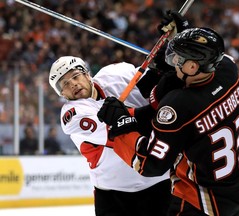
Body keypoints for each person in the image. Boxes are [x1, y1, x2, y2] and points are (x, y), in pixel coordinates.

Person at [97, 23, 239, 215]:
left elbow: (149, 164)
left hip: (199, 202)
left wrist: (121, 125)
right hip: (234, 191)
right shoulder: (228, 69)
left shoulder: (178, 104)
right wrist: (184, 33)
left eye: (179, 58)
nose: (174, 60)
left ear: (193, 66)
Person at [48, 56, 171, 216]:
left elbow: (152, 86)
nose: (73, 84)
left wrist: (164, 62)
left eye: (75, 76)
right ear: (63, 94)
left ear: (87, 74)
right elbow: (122, 128)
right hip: (114, 196)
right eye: (65, 84)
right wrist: (161, 113)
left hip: (160, 183)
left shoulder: (116, 73)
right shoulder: (72, 115)